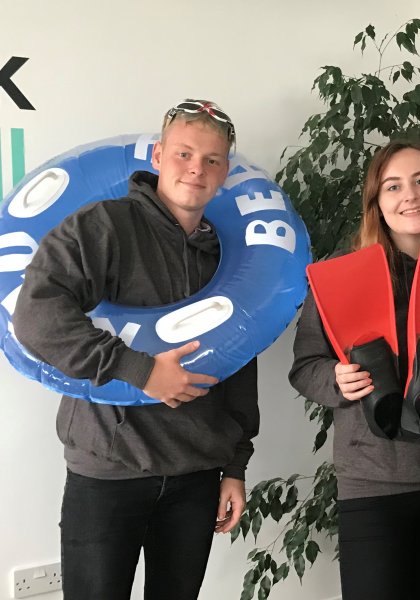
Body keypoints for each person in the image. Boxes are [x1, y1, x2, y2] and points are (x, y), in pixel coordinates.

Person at [13, 100, 259, 600]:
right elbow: (35, 314)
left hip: (195, 474)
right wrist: (139, 370)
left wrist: (235, 466)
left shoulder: (226, 255)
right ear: (158, 154)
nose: (197, 168)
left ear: (224, 172)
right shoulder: (106, 226)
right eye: (185, 153)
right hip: (108, 470)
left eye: (212, 160)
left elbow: (240, 356)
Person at [289, 140, 420, 600]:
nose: (410, 195)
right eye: (393, 186)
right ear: (377, 202)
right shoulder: (339, 276)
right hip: (369, 483)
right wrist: (336, 380)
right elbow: (305, 369)